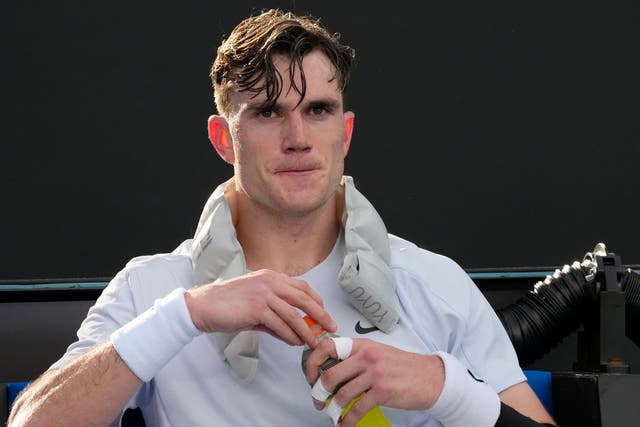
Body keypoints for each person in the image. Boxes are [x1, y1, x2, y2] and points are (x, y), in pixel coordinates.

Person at [9, 9, 555, 427]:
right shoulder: (154, 289)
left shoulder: (435, 284)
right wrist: (186, 316)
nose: (298, 139)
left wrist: (448, 388)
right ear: (223, 139)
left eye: (318, 110)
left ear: (345, 132)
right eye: (268, 112)